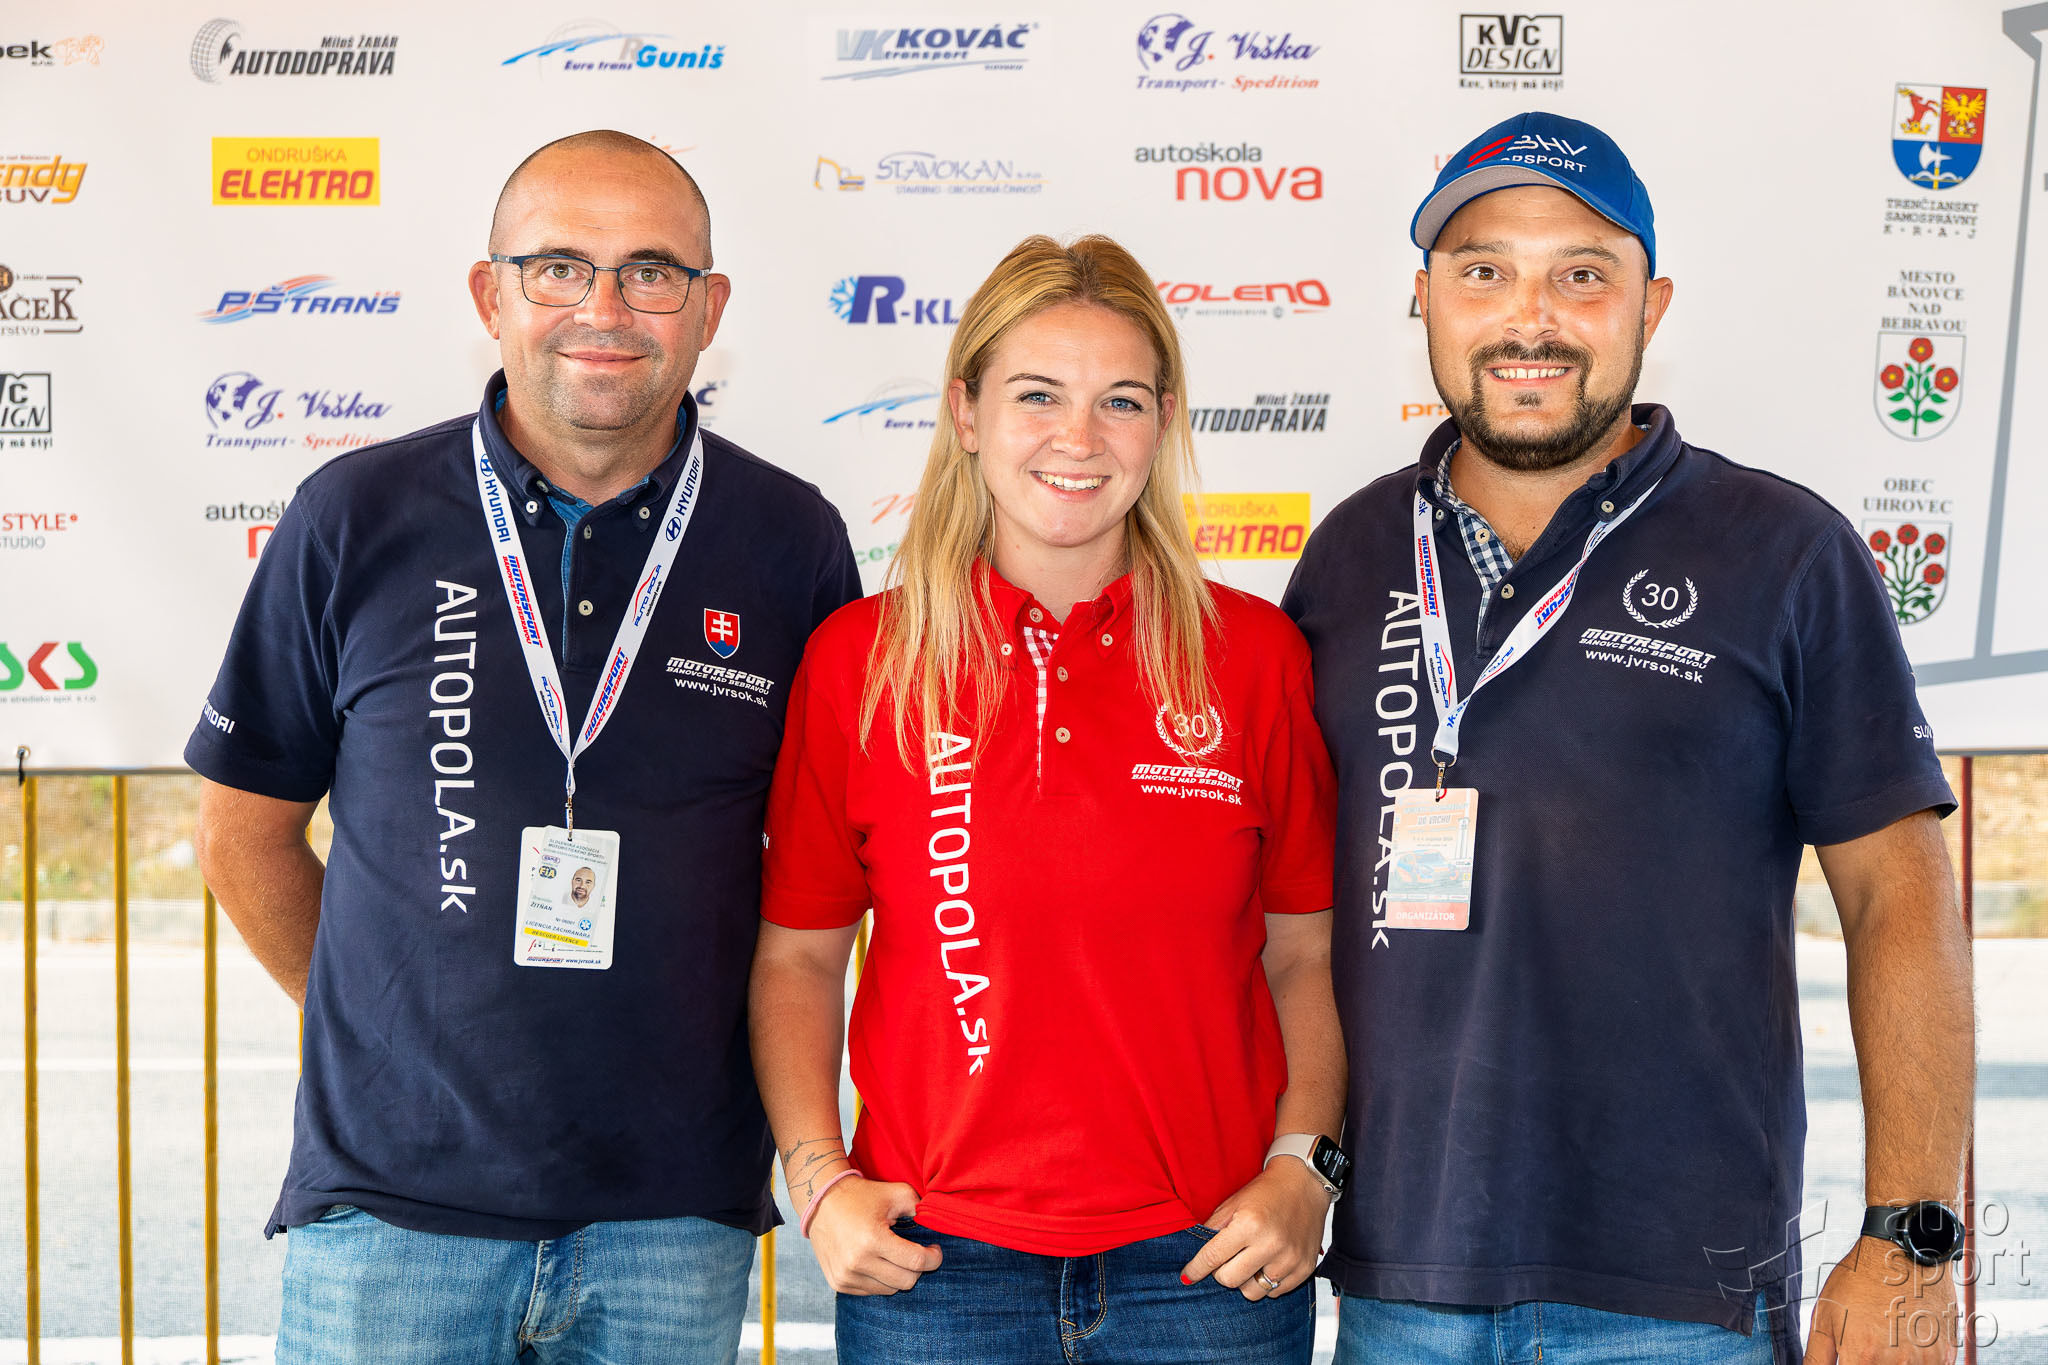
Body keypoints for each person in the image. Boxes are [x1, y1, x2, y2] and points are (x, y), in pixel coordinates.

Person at [1282, 111, 1973, 1365]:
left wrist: (1907, 1237)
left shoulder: (1782, 552)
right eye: (1482, 271)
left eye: (1580, 276)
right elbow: (1288, 919)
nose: (1528, 318)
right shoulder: (1348, 554)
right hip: (1397, 1283)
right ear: (1423, 299)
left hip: (1680, 1298)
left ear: (1648, 306)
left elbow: (1899, 895)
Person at [187, 130, 861, 1365]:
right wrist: (383, 1034)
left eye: (651, 272)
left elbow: (822, 872)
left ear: (709, 309)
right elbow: (242, 833)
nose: (603, 309)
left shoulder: (789, 539)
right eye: (557, 267)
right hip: (391, 1212)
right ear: (488, 294)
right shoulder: (354, 515)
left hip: (673, 1216)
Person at [749, 234, 1346, 1364]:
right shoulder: (862, 659)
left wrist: (1302, 1168)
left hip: (1210, 1267)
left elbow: (1302, 954)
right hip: (932, 1271)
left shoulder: (1253, 656)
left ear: (1164, 423)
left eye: (1120, 400)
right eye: (1037, 395)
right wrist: (818, 1180)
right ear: (965, 412)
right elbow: (800, 958)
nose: (1078, 438)